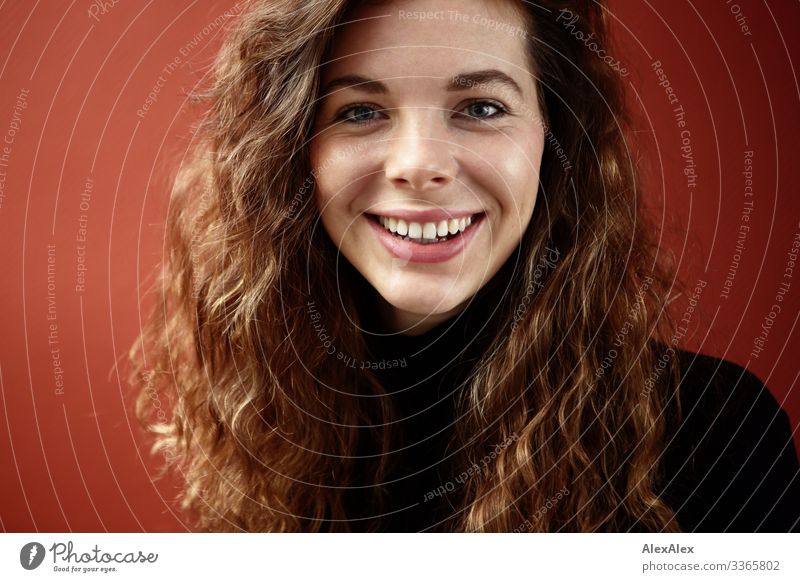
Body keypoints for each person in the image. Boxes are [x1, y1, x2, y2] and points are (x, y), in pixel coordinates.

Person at [130, 0, 800, 532]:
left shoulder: (716, 431)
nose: (419, 164)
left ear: (552, 140)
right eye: (360, 111)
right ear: (295, 153)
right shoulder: (269, 423)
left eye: (481, 108)